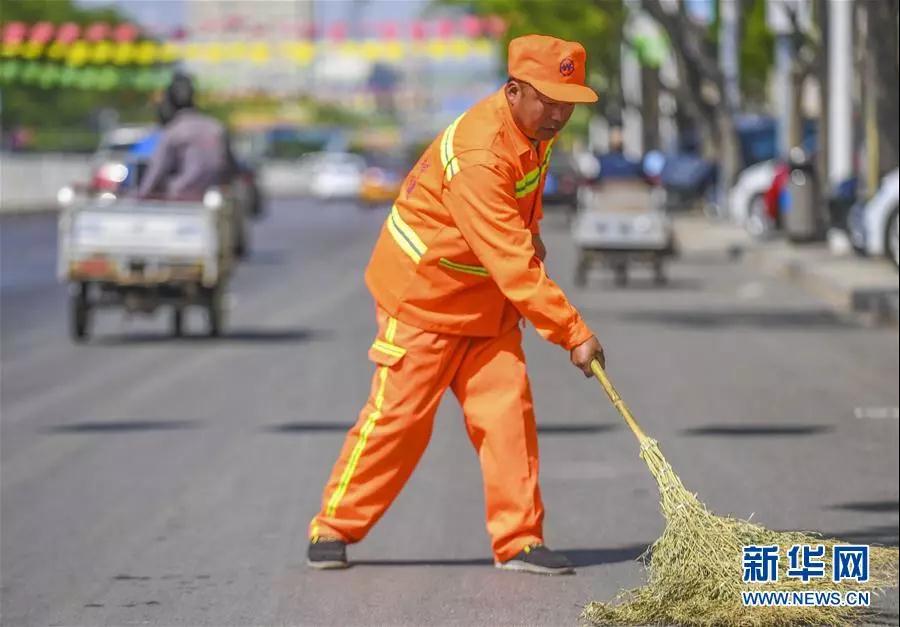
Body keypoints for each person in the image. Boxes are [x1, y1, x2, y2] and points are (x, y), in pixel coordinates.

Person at [307, 34, 606, 576]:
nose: (561, 113)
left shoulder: (534, 127)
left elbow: (521, 213)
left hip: (484, 305)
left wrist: (532, 233)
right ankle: (333, 526)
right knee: (398, 423)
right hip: (422, 300)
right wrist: (573, 332)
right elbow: (512, 262)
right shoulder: (478, 154)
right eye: (551, 100)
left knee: (508, 416)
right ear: (514, 90)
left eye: (569, 102)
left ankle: (519, 541)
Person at [137, 73, 233, 200]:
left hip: (179, 199)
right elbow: (229, 168)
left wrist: (138, 197)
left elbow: (155, 173)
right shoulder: (216, 127)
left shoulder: (173, 131)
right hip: (211, 198)